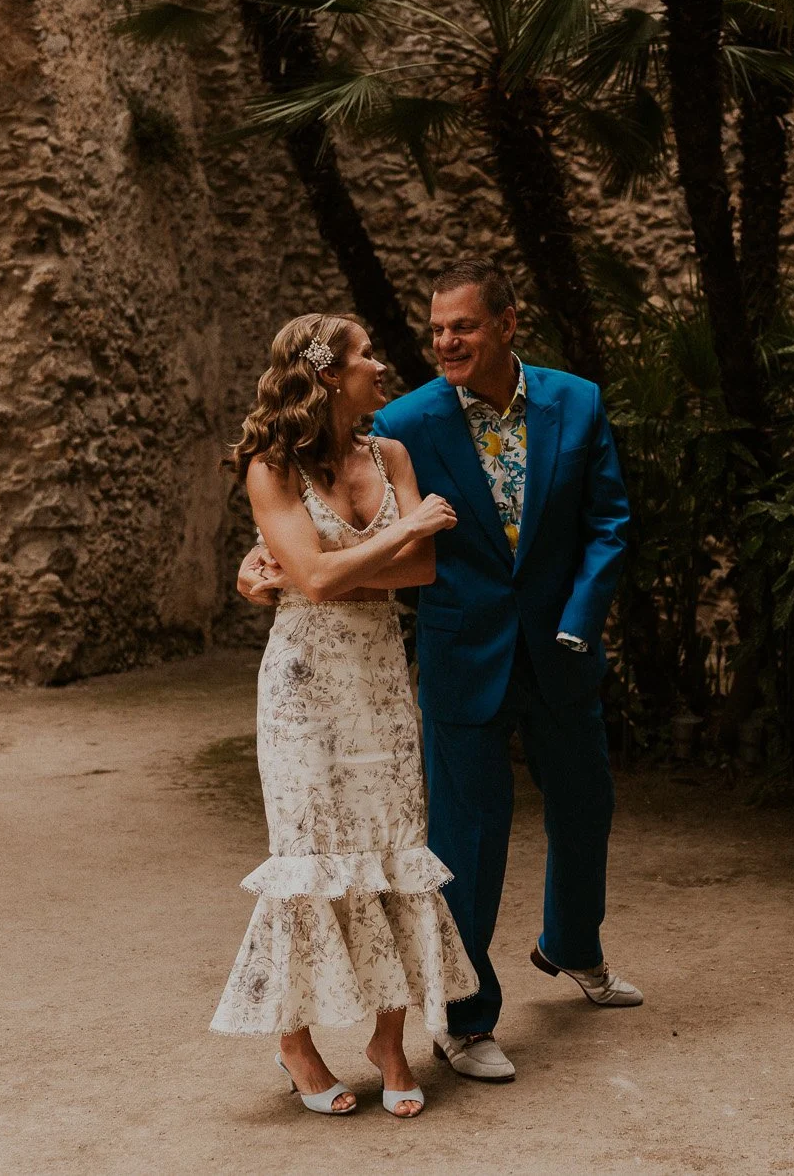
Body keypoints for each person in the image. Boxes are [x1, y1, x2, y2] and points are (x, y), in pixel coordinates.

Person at [240, 258, 641, 1086]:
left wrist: (578, 620)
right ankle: (465, 1018)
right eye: (436, 330)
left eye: (463, 326)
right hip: (459, 652)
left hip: (560, 649)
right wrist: (257, 566)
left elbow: (608, 520)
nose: (445, 343)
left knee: (587, 803)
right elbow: (316, 501)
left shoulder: (578, 400)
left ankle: (572, 945)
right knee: (468, 837)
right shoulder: (409, 419)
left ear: (506, 324)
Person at [210, 312, 479, 1120]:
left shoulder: (389, 453)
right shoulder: (271, 466)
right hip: (302, 687)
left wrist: (310, 571)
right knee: (307, 857)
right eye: (366, 355)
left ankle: (389, 1041)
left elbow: (421, 569)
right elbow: (328, 580)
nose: (383, 364)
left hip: (381, 681)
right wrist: (396, 533)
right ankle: (295, 1042)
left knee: (393, 853)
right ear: (328, 374)